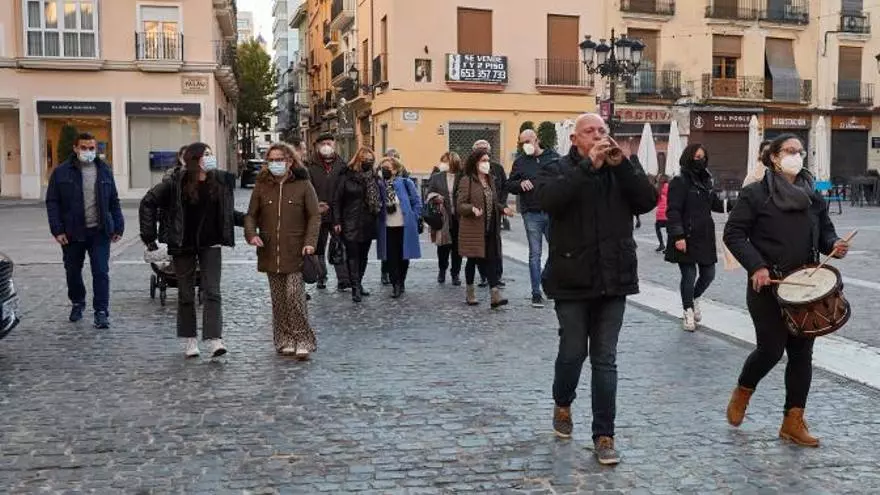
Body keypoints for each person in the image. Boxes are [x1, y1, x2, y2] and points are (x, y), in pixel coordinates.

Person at [536, 113, 657, 465]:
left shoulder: (621, 169)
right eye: (590, 131)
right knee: (573, 352)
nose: (598, 135)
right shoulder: (557, 168)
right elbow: (550, 201)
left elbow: (647, 201)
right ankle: (562, 401)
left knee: (605, 359)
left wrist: (623, 167)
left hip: (614, 278)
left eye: (602, 130)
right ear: (575, 139)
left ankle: (605, 435)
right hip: (571, 277)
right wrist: (588, 166)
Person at [723, 134, 848, 447]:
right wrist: (757, 266)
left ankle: (793, 421)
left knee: (802, 354)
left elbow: (825, 233)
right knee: (770, 350)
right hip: (768, 286)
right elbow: (734, 233)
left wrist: (834, 244)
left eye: (800, 151)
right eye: (790, 151)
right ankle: (743, 390)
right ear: (775, 157)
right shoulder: (755, 193)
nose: (797, 156)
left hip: (805, 289)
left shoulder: (812, 195)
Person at [139, 142, 245, 358]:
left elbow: (227, 213)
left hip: (211, 243)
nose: (210, 158)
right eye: (205, 154)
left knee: (212, 291)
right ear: (194, 159)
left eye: (211, 154)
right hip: (183, 244)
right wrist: (149, 236)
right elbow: (148, 202)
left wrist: (250, 221)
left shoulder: (220, 181)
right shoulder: (175, 182)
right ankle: (190, 339)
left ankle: (215, 339)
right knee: (186, 294)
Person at [244, 143, 320, 358]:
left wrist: (310, 242)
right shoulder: (261, 186)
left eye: (279, 159)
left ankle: (303, 339)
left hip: (296, 251)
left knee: (294, 297)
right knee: (279, 300)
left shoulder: (303, 185)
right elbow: (251, 215)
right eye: (271, 160)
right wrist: (251, 234)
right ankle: (284, 338)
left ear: (290, 161)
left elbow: (314, 216)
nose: (275, 163)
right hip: (270, 251)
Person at [45, 132, 124, 329]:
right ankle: (78, 302)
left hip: (99, 231)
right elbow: (52, 202)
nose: (88, 151)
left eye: (91, 148)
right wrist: (57, 230)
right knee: (73, 271)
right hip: (72, 232)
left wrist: (118, 225)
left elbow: (113, 200)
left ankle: (101, 311)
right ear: (75, 148)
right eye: (84, 148)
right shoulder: (61, 172)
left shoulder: (104, 170)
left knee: (101, 271)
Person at [664, 143, 729, 332]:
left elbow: (715, 204)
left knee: (709, 274)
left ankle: (693, 298)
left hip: (704, 235)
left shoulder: (706, 181)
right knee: (689, 275)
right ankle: (688, 311)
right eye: (697, 157)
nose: (701, 160)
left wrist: (739, 203)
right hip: (686, 235)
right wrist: (678, 236)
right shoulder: (679, 181)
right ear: (688, 157)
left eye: (703, 157)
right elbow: (673, 210)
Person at [508, 129, 560, 308]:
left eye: (527, 141)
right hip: (531, 213)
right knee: (535, 253)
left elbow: (565, 178)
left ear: (536, 139)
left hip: (552, 211)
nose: (525, 146)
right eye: (522, 143)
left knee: (557, 250)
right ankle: (536, 293)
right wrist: (519, 183)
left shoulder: (553, 157)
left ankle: (546, 279)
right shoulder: (520, 162)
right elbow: (509, 184)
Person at [457, 149, 513, 308]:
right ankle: (470, 293)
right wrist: (472, 209)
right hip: (474, 229)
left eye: (488, 160)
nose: (486, 163)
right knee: (472, 260)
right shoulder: (467, 180)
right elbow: (460, 205)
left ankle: (495, 296)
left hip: (490, 228)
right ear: (475, 163)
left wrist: (503, 209)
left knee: (491, 261)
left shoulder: (490, 180)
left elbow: (493, 202)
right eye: (483, 160)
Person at [333, 147, 381, 303]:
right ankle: (355, 288)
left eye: (371, 160)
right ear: (358, 160)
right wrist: (337, 221)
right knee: (353, 255)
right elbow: (337, 200)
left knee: (364, 255)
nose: (369, 162)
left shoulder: (373, 177)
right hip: (350, 221)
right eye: (366, 160)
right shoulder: (346, 176)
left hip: (368, 221)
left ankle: (359, 282)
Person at [306, 133, 350, 292]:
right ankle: (321, 276)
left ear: (334, 145)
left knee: (339, 245)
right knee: (318, 247)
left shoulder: (342, 165)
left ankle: (343, 279)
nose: (326, 146)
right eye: (323, 143)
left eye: (329, 143)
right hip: (317, 213)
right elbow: (307, 188)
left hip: (337, 213)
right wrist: (315, 205)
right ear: (318, 146)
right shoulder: (310, 165)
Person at [376, 156, 423, 298]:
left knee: (404, 257)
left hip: (404, 226)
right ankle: (395, 284)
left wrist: (414, 217)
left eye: (388, 168)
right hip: (387, 227)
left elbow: (416, 202)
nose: (384, 170)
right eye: (382, 168)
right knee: (391, 258)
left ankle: (401, 281)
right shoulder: (379, 185)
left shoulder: (405, 183)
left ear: (395, 170)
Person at [472, 140, 508, 286]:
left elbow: (504, 187)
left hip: (495, 212)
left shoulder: (497, 168)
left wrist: (502, 206)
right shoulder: (469, 170)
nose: (483, 152)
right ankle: (484, 275)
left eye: (485, 149)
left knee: (495, 245)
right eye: (480, 149)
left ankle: (497, 275)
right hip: (478, 214)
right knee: (479, 244)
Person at [427, 152, 463, 285]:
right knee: (443, 246)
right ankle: (442, 270)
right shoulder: (436, 177)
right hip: (443, 217)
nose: (443, 164)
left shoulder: (463, 176)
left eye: (446, 161)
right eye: (442, 161)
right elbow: (429, 193)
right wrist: (435, 197)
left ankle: (455, 273)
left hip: (459, 217)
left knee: (457, 248)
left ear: (453, 162)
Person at [654, 174, 670, 253]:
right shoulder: (669, 187)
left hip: (660, 213)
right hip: (668, 212)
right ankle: (668, 247)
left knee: (657, 228)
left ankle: (661, 244)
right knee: (669, 231)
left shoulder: (658, 188)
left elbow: (656, 201)